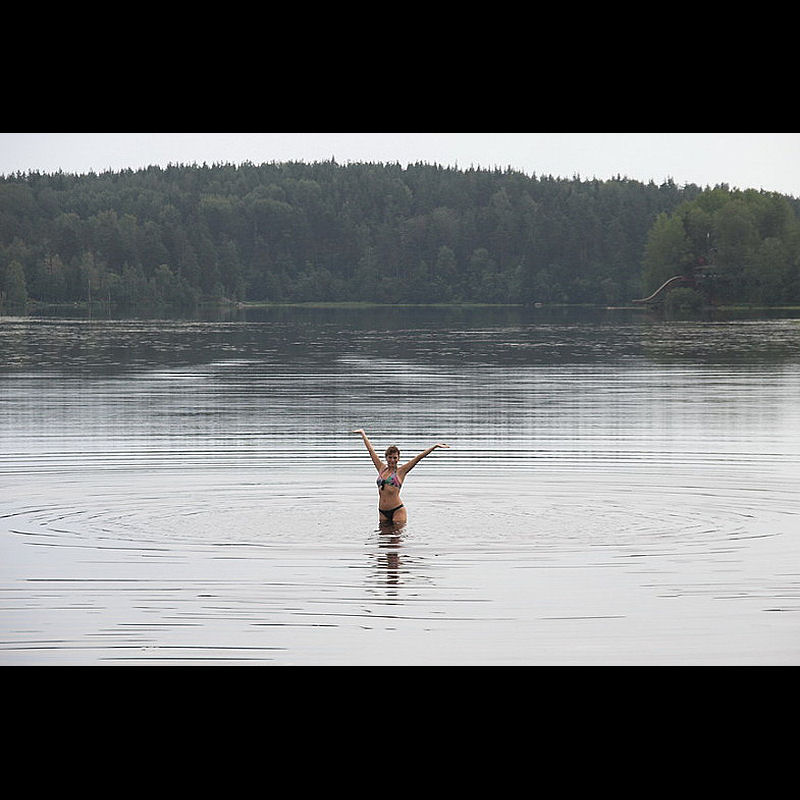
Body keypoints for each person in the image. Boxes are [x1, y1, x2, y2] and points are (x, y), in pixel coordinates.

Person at [352, 429, 450, 526]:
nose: (392, 460)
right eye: (390, 457)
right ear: (386, 457)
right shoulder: (381, 468)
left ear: (398, 458)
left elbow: (418, 458)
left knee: (397, 534)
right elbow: (371, 451)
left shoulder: (401, 471)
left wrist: (435, 446)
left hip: (397, 510)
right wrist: (363, 434)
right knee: (382, 535)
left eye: (395, 457)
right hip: (382, 511)